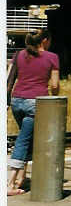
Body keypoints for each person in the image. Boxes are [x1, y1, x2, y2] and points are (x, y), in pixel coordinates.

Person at [7, 28, 60, 196]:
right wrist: (55, 97)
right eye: (49, 40)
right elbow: (55, 86)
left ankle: (22, 178)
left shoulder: (19, 55)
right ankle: (10, 184)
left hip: (17, 101)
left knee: (29, 138)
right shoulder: (52, 57)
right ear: (44, 40)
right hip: (35, 104)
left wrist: (7, 102)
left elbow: (9, 80)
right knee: (23, 141)